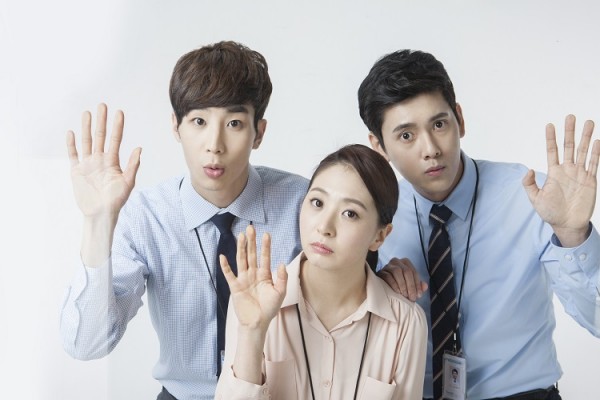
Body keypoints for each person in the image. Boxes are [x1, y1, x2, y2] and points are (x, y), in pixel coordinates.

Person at [60, 41, 308, 400]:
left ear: (259, 132)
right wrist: (98, 223)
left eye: (235, 123)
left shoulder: (302, 203)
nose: (215, 144)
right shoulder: (147, 215)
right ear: (176, 126)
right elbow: (86, 345)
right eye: (199, 121)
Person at [357, 49, 600, 400]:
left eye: (439, 124)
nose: (430, 149)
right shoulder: (370, 216)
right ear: (379, 147)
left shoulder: (533, 197)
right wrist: (375, 290)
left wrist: (573, 235)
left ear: (460, 119)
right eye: (406, 136)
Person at [214, 144, 428, 400]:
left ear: (379, 236)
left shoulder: (405, 323)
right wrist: (252, 332)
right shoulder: (256, 302)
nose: (325, 226)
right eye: (317, 202)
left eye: (350, 213)